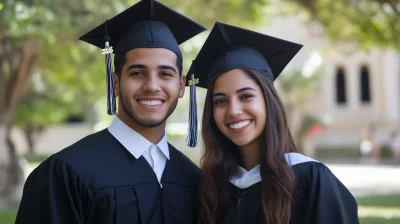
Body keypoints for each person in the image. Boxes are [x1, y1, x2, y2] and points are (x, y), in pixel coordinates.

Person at [16, 1, 206, 223]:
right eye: (137, 73)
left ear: (182, 86)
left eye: (165, 74)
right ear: (115, 83)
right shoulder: (66, 173)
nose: (152, 86)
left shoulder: (193, 178)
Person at [186, 22, 359, 224]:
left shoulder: (311, 179)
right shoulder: (211, 188)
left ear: (269, 101)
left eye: (246, 96)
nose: (233, 110)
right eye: (221, 101)